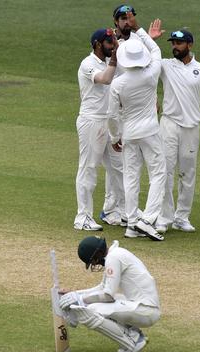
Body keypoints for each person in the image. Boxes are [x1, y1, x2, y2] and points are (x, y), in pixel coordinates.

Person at [147, 23, 200, 234]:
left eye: (179, 43)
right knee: (165, 171)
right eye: (173, 43)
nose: (176, 46)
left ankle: (182, 217)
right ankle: (164, 217)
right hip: (169, 124)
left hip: (192, 128)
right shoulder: (165, 65)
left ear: (190, 44)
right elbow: (142, 58)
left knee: (187, 173)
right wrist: (151, 39)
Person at [107, 12, 165, 241]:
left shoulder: (118, 83)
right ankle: (147, 219)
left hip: (129, 134)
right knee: (158, 174)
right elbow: (156, 51)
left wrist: (115, 137)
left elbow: (112, 115)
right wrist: (139, 29)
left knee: (131, 178)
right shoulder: (151, 73)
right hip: (150, 131)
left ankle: (132, 223)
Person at [59, 236, 160, 352]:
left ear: (99, 253)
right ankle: (134, 334)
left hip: (146, 310)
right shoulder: (115, 254)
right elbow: (102, 288)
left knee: (90, 310)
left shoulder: (113, 258)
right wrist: (75, 294)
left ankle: (132, 343)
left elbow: (108, 296)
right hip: (142, 307)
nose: (95, 263)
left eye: (94, 260)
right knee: (95, 304)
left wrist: (81, 300)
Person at [74, 28, 126, 231]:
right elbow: (104, 79)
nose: (113, 45)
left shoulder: (108, 61)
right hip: (91, 122)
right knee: (88, 168)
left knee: (119, 168)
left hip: (110, 122)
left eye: (113, 41)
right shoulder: (87, 64)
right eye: (109, 42)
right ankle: (82, 217)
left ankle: (117, 212)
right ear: (97, 44)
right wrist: (114, 59)